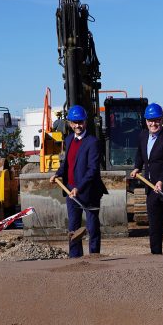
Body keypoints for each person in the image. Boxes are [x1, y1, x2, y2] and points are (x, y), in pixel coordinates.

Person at [50, 105, 108, 258]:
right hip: (70, 190)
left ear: (85, 122)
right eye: (74, 122)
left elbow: (92, 170)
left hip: (89, 191)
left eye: (80, 122)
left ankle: (94, 256)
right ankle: (75, 257)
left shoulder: (93, 142)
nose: (77, 126)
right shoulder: (69, 139)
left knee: (92, 226)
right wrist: (57, 174)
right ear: (70, 123)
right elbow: (67, 163)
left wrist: (79, 188)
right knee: (73, 227)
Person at [130, 103, 163, 255]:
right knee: (154, 224)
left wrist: (161, 180)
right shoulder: (142, 135)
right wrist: (137, 167)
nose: (153, 124)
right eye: (150, 120)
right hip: (151, 188)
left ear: (162, 120)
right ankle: (155, 255)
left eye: (156, 120)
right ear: (146, 120)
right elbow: (140, 154)